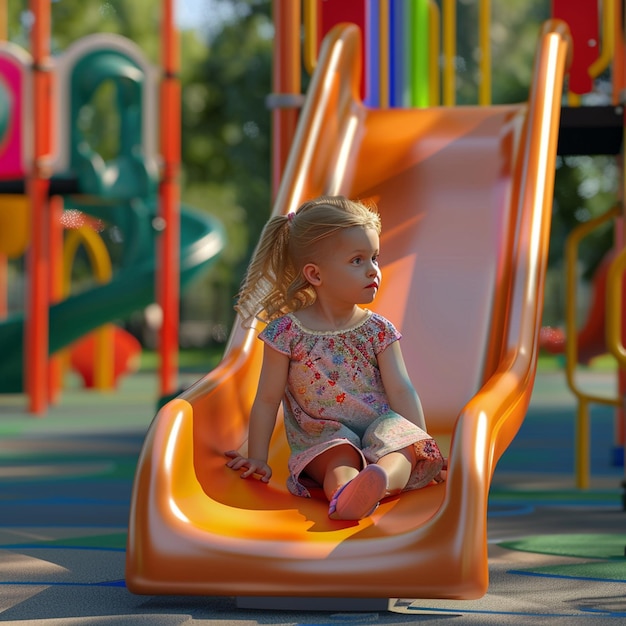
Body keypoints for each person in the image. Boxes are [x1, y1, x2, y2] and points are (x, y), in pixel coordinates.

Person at [225, 195, 445, 521]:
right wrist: (258, 457)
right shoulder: (286, 333)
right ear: (315, 274)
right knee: (338, 458)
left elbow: (401, 390)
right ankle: (347, 494)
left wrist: (422, 445)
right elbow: (267, 399)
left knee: (400, 450)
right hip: (323, 435)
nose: (373, 270)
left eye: (375, 258)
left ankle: (379, 483)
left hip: (379, 425)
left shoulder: (377, 330)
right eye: (357, 260)